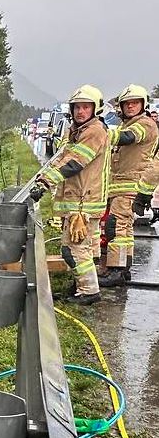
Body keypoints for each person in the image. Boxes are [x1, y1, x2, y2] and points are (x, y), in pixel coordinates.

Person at [29, 85, 110, 304]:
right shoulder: (78, 131)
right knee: (84, 248)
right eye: (77, 107)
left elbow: (74, 163)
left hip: (83, 204)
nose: (80, 112)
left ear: (95, 110)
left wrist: (46, 182)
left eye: (85, 107)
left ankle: (89, 292)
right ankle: (81, 286)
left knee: (72, 249)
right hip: (80, 201)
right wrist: (41, 177)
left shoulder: (94, 131)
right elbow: (61, 157)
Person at [99, 85, 158, 287]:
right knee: (125, 230)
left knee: (115, 226)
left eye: (135, 103)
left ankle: (115, 270)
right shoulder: (127, 124)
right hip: (119, 187)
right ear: (121, 107)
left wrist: (104, 135)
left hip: (129, 186)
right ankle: (124, 269)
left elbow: (130, 137)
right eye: (127, 103)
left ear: (143, 105)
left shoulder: (145, 124)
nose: (131, 106)